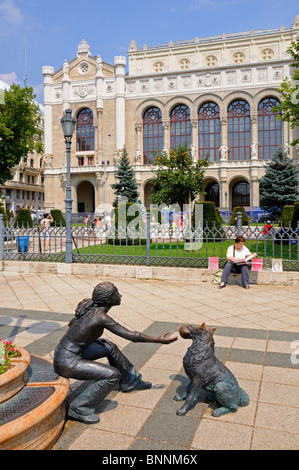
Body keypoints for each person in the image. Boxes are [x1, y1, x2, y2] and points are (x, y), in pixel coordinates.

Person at [53, 281, 178, 424]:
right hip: (67, 361)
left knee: (109, 347)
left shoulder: (90, 307)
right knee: (112, 375)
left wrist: (81, 320)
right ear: (108, 300)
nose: (120, 296)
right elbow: (132, 336)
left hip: (66, 352)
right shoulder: (100, 316)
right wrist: (158, 340)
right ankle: (80, 407)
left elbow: (71, 324)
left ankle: (130, 381)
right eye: (116, 294)